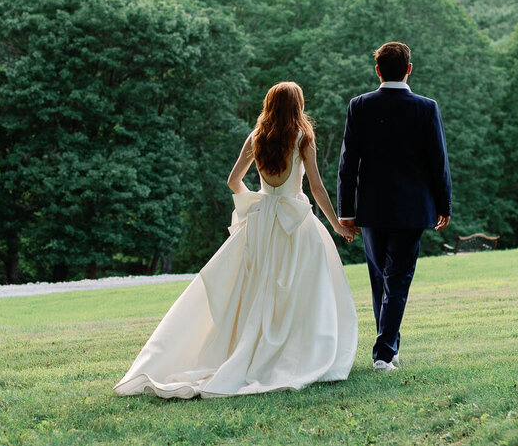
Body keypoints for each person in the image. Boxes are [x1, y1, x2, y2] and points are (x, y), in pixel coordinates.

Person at [115, 81, 358, 398]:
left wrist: (257, 203)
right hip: (295, 224)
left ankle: (249, 350)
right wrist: (337, 225)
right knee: (301, 292)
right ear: (297, 106)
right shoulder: (302, 138)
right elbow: (316, 188)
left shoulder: (256, 137)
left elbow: (233, 181)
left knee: (255, 290)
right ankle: (293, 354)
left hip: (259, 224)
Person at [337, 41, 451, 372]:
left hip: (371, 209)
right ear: (409, 69)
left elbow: (348, 163)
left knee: (380, 278)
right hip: (412, 209)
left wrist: (346, 209)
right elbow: (438, 162)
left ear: (378, 71)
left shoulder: (359, 105)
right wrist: (444, 204)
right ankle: (385, 352)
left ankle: (389, 345)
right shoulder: (426, 107)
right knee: (397, 279)